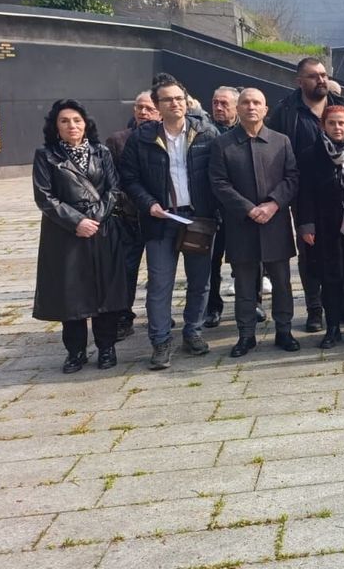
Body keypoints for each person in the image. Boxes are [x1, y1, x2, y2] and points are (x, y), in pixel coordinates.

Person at [120, 78, 219, 370]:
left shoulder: (206, 133)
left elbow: (219, 174)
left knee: (200, 281)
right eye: (168, 100)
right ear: (157, 106)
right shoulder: (142, 138)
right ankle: (161, 341)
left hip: (198, 219)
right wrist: (148, 203)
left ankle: (193, 332)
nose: (175, 103)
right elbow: (129, 178)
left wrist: (215, 211)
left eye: (179, 98)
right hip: (160, 220)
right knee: (160, 283)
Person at [32, 99, 129, 372]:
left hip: (102, 229)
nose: (71, 126)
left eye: (76, 120)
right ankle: (75, 351)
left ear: (86, 124)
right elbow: (45, 197)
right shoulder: (47, 155)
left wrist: (95, 218)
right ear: (56, 127)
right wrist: (77, 221)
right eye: (64, 121)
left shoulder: (101, 152)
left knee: (105, 292)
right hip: (65, 234)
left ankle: (107, 348)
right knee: (72, 294)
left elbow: (114, 188)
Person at [267, 57, 344, 333]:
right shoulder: (286, 111)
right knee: (311, 253)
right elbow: (276, 150)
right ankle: (315, 308)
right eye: (313, 76)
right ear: (300, 81)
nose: (321, 80)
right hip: (305, 195)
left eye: (323, 75)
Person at [209, 88, 300, 357]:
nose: (251, 107)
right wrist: (248, 209)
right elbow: (219, 183)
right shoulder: (222, 144)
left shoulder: (281, 141)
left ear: (265, 109)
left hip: (275, 222)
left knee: (282, 282)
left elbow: (292, 177)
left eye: (256, 103)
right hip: (241, 224)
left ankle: (284, 330)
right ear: (238, 108)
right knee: (245, 284)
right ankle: (246, 335)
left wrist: (273, 203)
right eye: (246, 102)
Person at [296, 105, 344, 347]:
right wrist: (306, 224)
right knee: (330, 278)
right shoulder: (311, 155)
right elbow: (304, 193)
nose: (337, 127)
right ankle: (332, 329)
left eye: (341, 123)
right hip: (325, 226)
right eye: (331, 123)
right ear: (323, 126)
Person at [105, 90, 159, 339]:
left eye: (149, 108)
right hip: (129, 218)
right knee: (126, 270)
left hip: (160, 217)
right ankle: (122, 317)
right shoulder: (117, 140)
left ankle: (158, 314)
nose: (143, 112)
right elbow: (112, 182)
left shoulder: (167, 138)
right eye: (139, 107)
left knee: (160, 271)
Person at [203, 86, 240, 329]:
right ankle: (212, 307)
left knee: (246, 259)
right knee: (211, 262)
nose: (218, 107)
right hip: (212, 208)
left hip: (240, 207)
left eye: (224, 103)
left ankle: (252, 302)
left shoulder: (245, 130)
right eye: (215, 102)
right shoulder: (204, 132)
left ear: (236, 106)